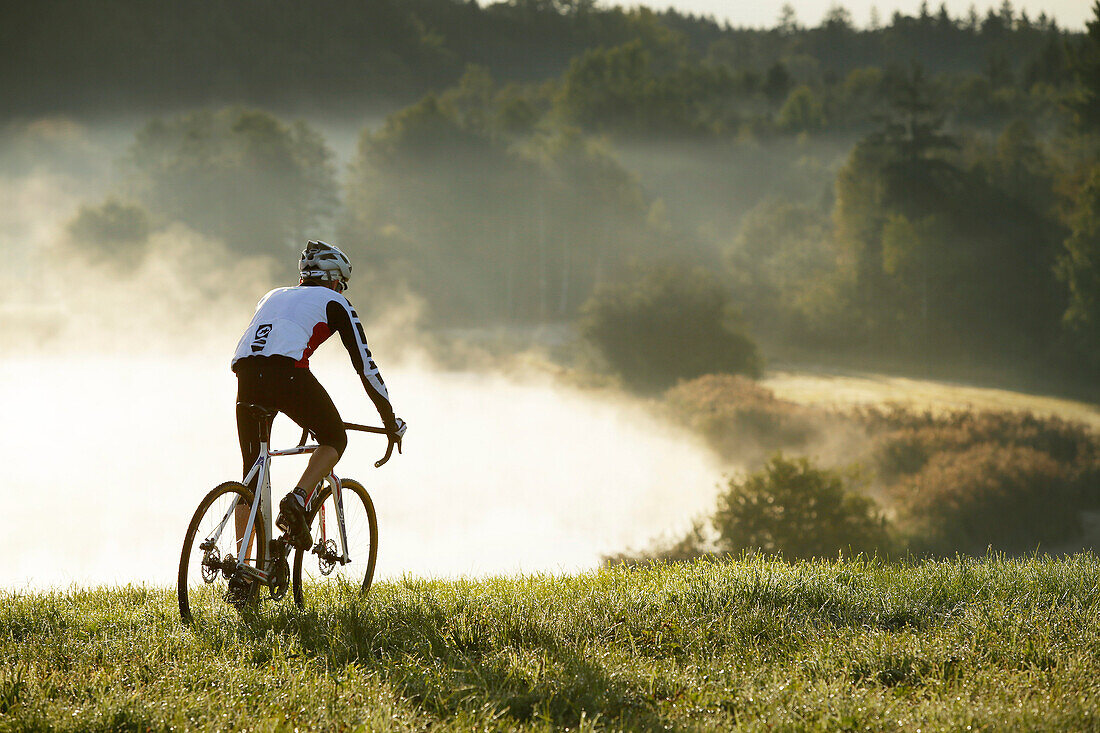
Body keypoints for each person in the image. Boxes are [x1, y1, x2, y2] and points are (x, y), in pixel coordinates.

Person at [231, 240, 406, 551]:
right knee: (334, 438)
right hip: (286, 374)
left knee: (251, 473)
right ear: (336, 280)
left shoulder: (272, 295)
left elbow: (272, 342)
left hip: (245, 373)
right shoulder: (334, 301)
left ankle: (242, 567)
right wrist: (389, 419)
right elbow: (365, 366)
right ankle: (297, 499)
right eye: (343, 285)